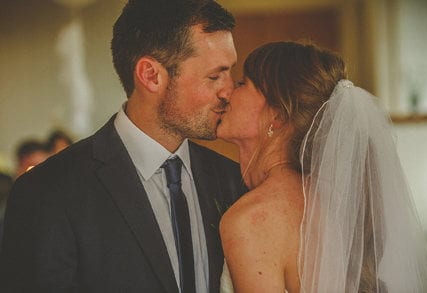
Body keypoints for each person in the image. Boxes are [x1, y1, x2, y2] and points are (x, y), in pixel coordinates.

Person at [0, 0, 246, 291]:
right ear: (151, 75)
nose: (229, 91)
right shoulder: (48, 192)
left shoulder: (234, 181)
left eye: (230, 72)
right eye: (215, 76)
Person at [216, 41, 427, 292]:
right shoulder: (334, 201)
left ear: (277, 115)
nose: (227, 92)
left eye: (242, 83)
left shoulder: (252, 220)